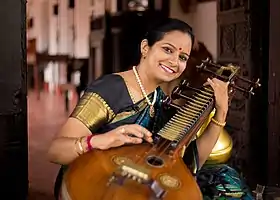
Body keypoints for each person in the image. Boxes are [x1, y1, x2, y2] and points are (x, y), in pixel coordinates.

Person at [47, 18, 232, 199]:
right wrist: (99, 141)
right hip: (90, 187)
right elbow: (55, 151)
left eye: (182, 57)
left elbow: (191, 162)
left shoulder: (159, 100)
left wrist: (221, 113)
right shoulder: (111, 89)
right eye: (168, 49)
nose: (175, 62)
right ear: (145, 47)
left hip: (135, 190)